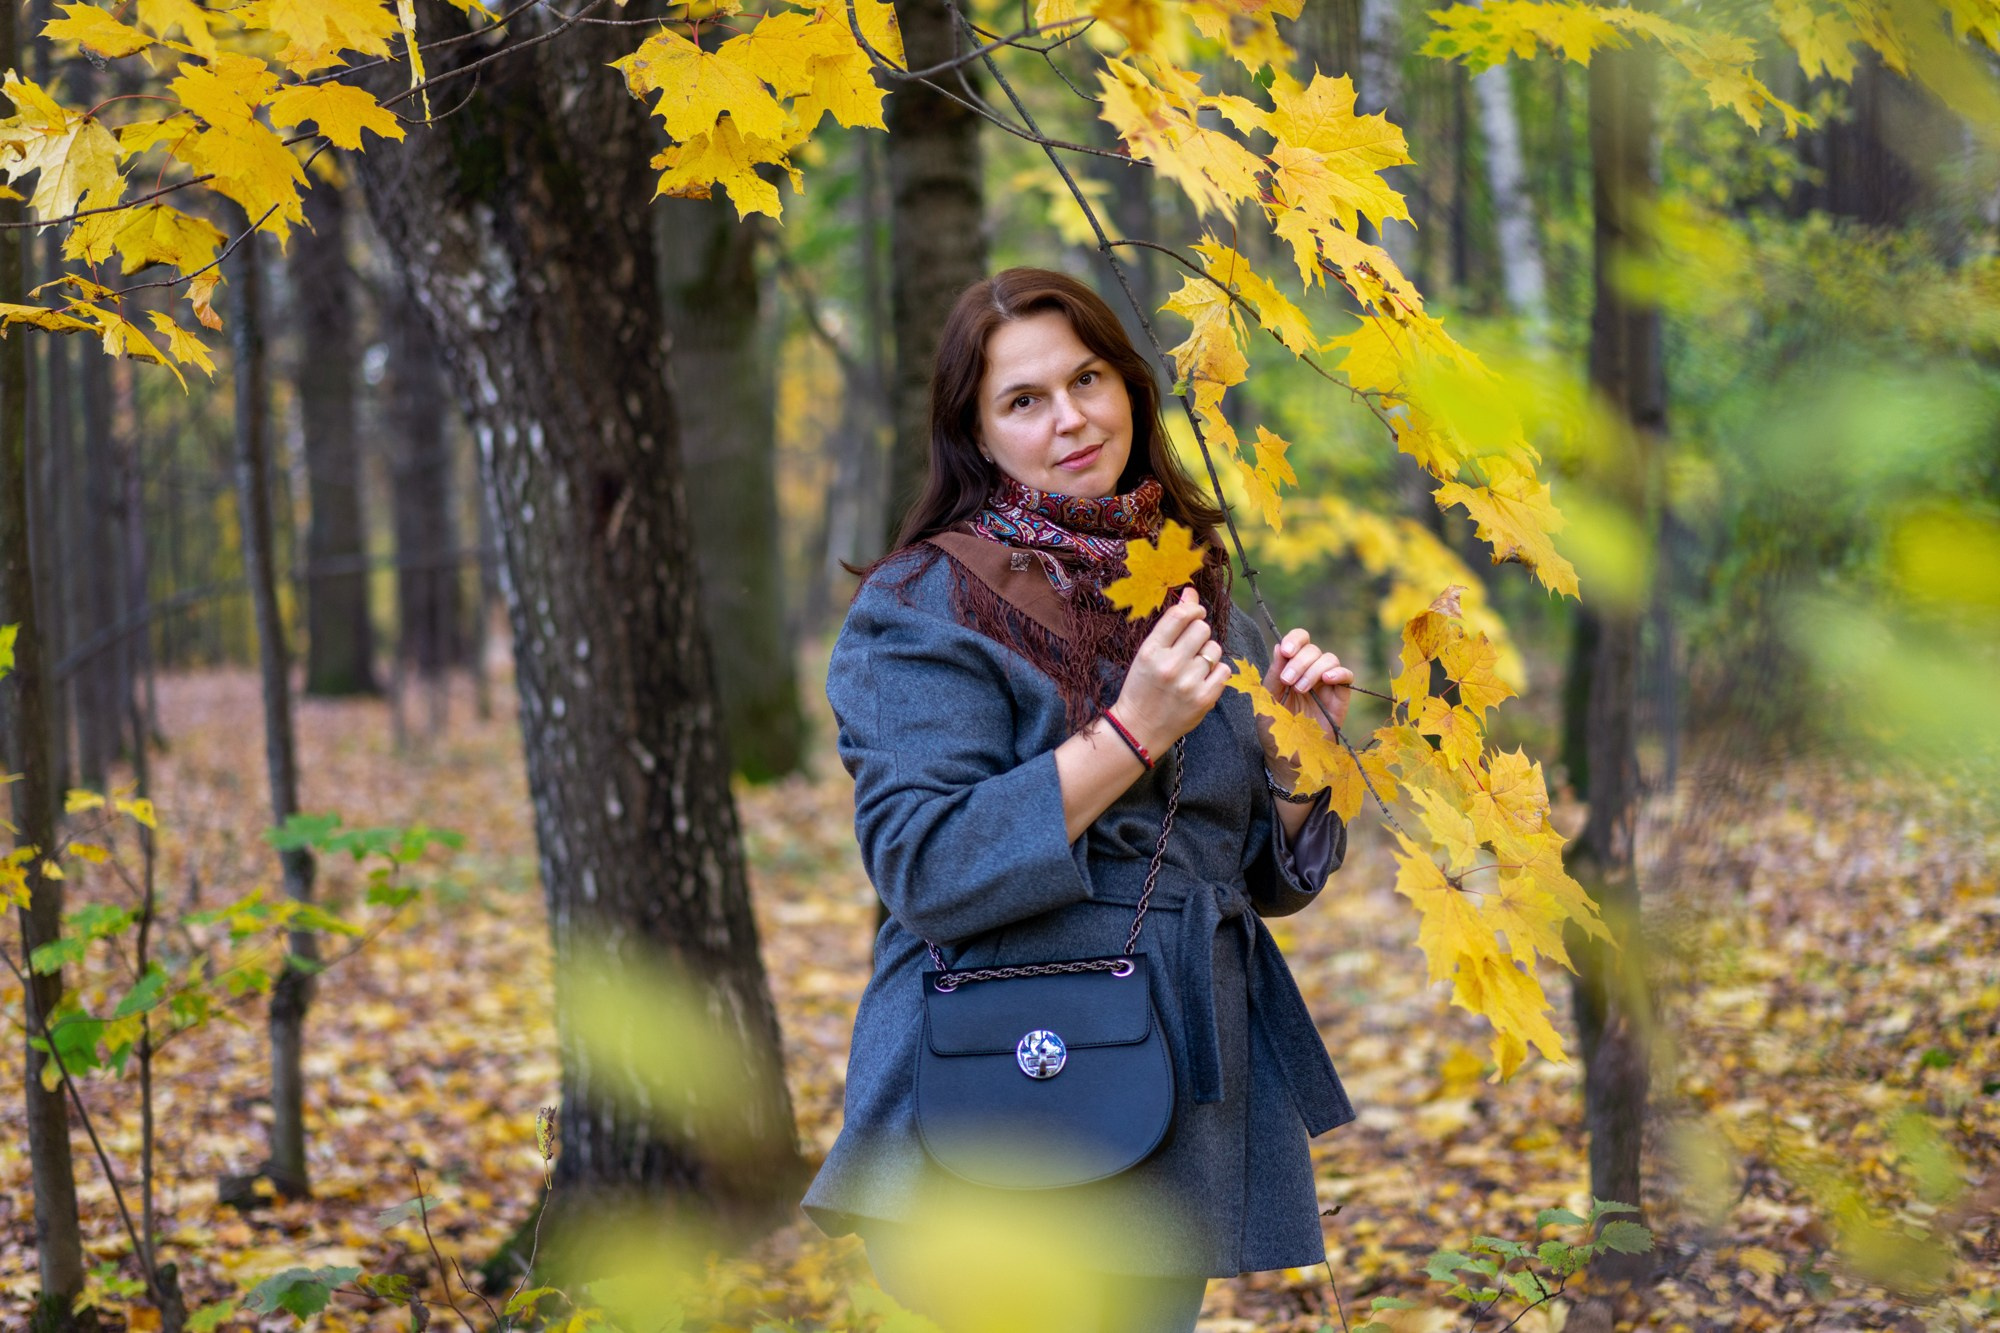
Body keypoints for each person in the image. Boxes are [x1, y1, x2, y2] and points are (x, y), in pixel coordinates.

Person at [803, 268, 1357, 1333]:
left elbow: (1243, 876)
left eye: (1087, 379)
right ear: (976, 435)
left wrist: (1300, 758)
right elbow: (925, 862)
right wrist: (1132, 731)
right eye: (1024, 399)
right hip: (995, 1088)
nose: (1069, 418)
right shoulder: (921, 604)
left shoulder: (1195, 592)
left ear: (1129, 389)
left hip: (1170, 1091)